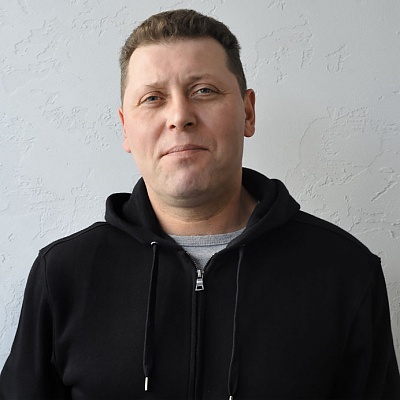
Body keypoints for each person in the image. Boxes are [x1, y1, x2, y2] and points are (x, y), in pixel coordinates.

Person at [0, 8, 399, 400]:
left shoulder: (345, 271)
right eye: (153, 98)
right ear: (125, 128)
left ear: (247, 112)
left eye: (203, 91)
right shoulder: (63, 274)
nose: (180, 116)